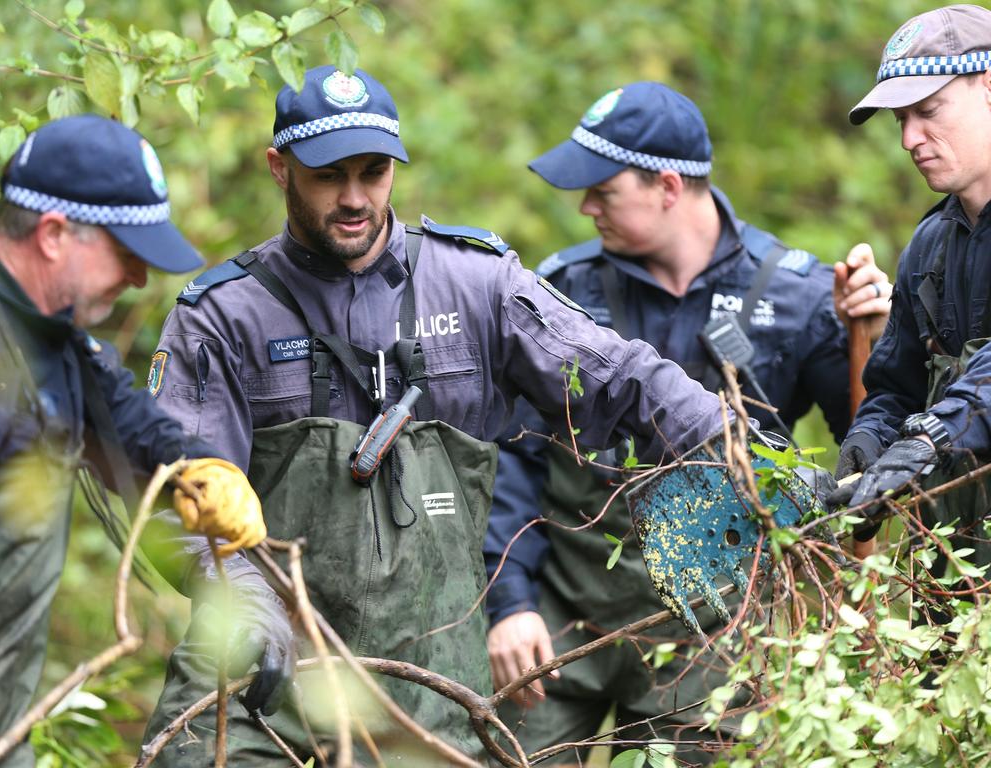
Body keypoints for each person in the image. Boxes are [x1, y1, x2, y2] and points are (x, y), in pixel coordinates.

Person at [140, 65, 731, 766]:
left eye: (375, 171)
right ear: (280, 168)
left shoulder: (477, 283)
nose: (355, 198)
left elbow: (621, 378)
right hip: (257, 689)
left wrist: (744, 447)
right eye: (330, 176)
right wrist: (243, 604)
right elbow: (181, 495)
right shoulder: (220, 318)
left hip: (428, 700)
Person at [482, 81, 892, 766]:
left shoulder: (796, 295)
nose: (584, 208)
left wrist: (873, 336)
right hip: (562, 616)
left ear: (668, 186)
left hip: (715, 637)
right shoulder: (562, 292)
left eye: (602, 191)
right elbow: (516, 460)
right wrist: (509, 601)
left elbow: (864, 451)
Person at [0, 114, 266, 768]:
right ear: (53, 235)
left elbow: (133, 430)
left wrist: (203, 471)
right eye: (128, 254)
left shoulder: (52, 341)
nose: (137, 279)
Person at [830, 5, 991, 573]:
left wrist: (931, 440)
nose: (908, 139)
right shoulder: (930, 246)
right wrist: (867, 448)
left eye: (927, 110)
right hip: (950, 579)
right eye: (901, 118)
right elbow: (895, 387)